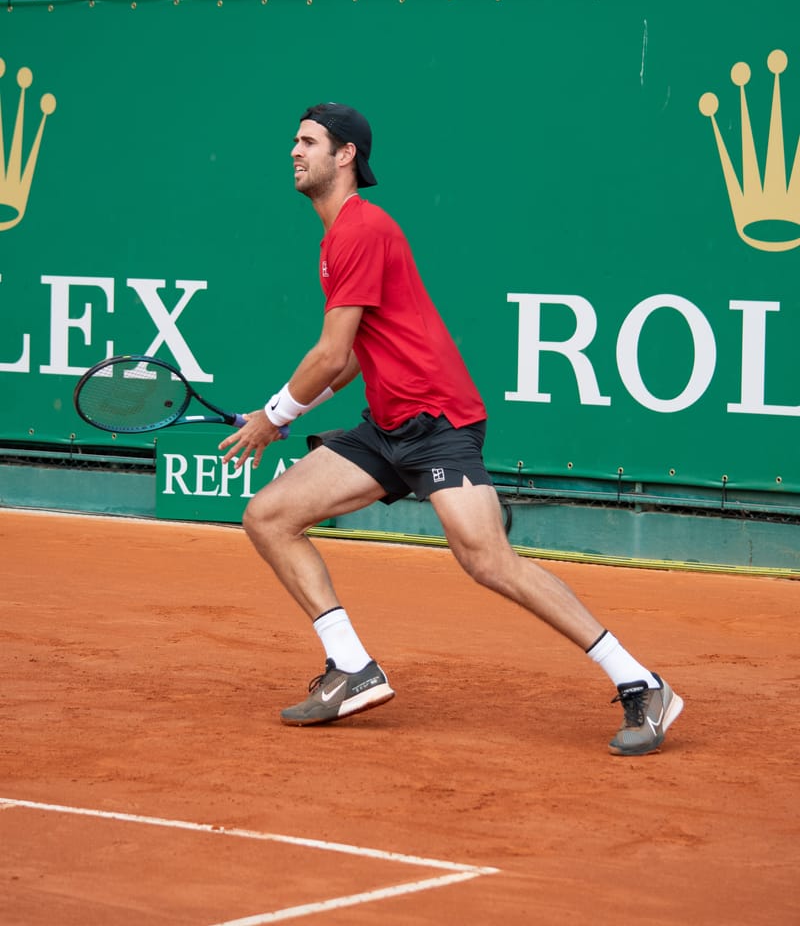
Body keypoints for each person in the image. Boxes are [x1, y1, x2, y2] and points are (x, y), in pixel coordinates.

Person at [220, 102, 683, 756]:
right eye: (294, 140)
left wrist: (275, 417)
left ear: (345, 155)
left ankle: (641, 682)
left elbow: (327, 354)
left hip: (437, 420)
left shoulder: (361, 229)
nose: (294, 151)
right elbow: (349, 360)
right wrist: (279, 415)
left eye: (309, 141)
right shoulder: (338, 236)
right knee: (269, 516)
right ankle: (352, 667)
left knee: (487, 560)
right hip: (387, 425)